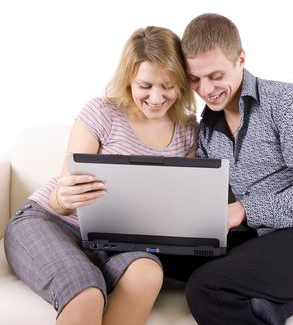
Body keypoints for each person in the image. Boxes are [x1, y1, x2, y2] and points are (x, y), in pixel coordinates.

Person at [4, 26, 198, 325]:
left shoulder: (189, 131)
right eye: (145, 85)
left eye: (168, 85)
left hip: (120, 243)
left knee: (148, 272)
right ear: (129, 79)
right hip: (52, 222)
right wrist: (63, 196)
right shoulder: (102, 113)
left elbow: (177, 206)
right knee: (86, 291)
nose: (157, 97)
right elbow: (61, 199)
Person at [179, 13, 293, 324]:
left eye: (216, 75)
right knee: (161, 257)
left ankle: (264, 299)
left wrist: (243, 210)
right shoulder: (206, 128)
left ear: (241, 59)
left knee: (205, 287)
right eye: (195, 79)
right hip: (258, 240)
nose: (205, 89)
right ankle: (269, 303)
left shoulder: (286, 102)